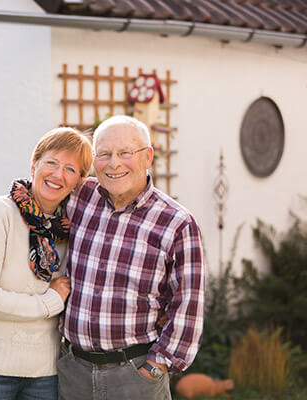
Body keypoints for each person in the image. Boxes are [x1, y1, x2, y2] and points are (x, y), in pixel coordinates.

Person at [58, 115, 205, 400]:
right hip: (72, 374)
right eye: (104, 154)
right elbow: (39, 194)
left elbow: (189, 305)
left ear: (148, 157)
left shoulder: (176, 223)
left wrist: (156, 366)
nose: (114, 164)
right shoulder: (78, 196)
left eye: (125, 153)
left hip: (134, 377)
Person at [0, 127, 93, 400]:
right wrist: (49, 302)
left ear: (79, 181)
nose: (57, 174)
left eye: (70, 169)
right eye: (51, 163)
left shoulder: (69, 230)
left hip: (43, 372)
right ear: (34, 164)